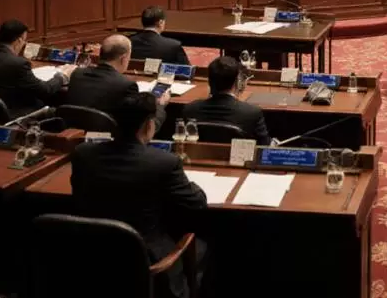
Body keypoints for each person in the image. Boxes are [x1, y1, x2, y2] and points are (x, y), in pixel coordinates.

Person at [71, 94, 207, 298]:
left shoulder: (83, 153)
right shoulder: (164, 163)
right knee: (203, 245)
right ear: (148, 125)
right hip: (144, 257)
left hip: (90, 253)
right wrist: (191, 183)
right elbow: (197, 203)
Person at [0, 19, 75, 118]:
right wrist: (63, 75)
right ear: (19, 40)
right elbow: (45, 91)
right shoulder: (18, 64)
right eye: (24, 41)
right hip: (12, 114)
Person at [65, 35, 168, 129]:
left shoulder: (77, 74)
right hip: (111, 144)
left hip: (74, 138)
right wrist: (159, 105)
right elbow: (137, 127)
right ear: (123, 59)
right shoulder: (126, 85)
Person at [180, 55, 270, 144]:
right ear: (236, 82)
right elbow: (264, 146)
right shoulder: (252, 113)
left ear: (209, 82)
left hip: (197, 157)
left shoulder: (190, 110)